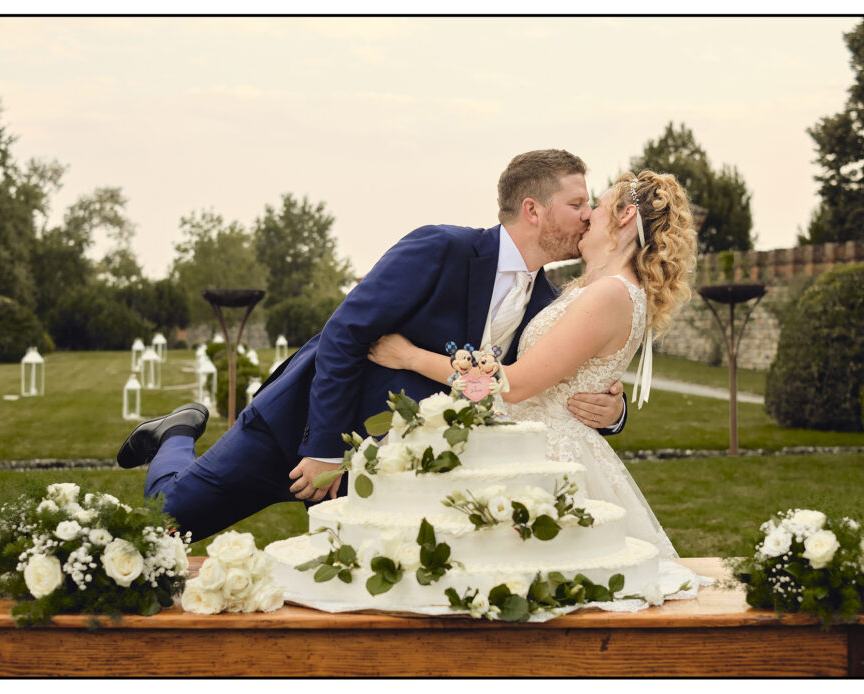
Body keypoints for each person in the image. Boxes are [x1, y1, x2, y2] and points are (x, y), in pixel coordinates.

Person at [117, 149, 629, 540]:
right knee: (162, 528)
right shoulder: (441, 248)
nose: (588, 215)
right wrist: (322, 449)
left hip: (400, 469)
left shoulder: (549, 302)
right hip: (298, 432)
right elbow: (344, 335)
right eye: (577, 203)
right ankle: (175, 435)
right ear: (533, 209)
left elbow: (532, 380)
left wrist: (614, 411)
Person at [368, 170, 698, 557]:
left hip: (546, 454)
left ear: (625, 217)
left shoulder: (609, 294)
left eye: (598, 206)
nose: (588, 214)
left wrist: (409, 356)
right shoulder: (591, 291)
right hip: (531, 440)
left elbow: (515, 384)